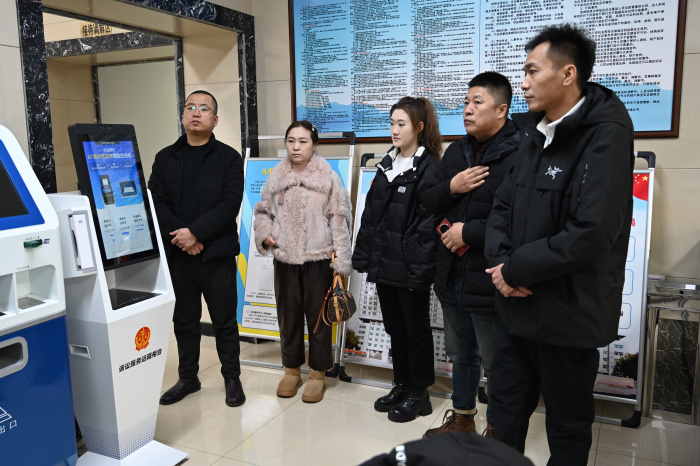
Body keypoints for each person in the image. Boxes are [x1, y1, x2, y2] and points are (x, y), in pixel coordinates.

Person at [484, 24, 634, 465]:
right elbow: (501, 207)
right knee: (504, 412)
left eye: (532, 71)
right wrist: (501, 267)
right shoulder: (534, 133)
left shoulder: (606, 134)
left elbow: (591, 231)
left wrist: (514, 269)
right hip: (515, 306)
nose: (523, 83)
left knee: (567, 426)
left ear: (568, 74)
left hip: (567, 312)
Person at [421, 72, 520, 439]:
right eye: (466, 102)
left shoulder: (520, 152)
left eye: (477, 102)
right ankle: (463, 418)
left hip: (492, 275)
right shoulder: (456, 151)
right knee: (460, 353)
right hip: (452, 271)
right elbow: (429, 200)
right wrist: (452, 185)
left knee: (496, 360)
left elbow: (520, 219)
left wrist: (469, 232)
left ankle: (498, 429)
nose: (467, 109)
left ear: (501, 110)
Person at [149, 90, 246, 407]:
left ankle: (232, 378)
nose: (196, 112)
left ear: (215, 120)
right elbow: (156, 202)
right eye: (190, 107)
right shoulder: (165, 158)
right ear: (182, 116)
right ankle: (188, 378)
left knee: (224, 321)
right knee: (184, 320)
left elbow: (229, 204)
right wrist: (183, 236)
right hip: (179, 254)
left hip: (216, 254)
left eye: (204, 109)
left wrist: (196, 233)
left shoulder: (229, 158)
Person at [352, 96, 441, 423]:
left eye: (401, 123)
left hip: (409, 267)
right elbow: (370, 216)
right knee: (395, 328)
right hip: (384, 264)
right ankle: (401, 384)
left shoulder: (429, 168)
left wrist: (420, 272)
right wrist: (363, 256)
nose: (395, 129)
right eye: (392, 123)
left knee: (416, 331)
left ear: (419, 127)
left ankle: (420, 392)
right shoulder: (387, 164)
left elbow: (429, 228)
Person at [253, 120, 353, 403]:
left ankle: (318, 374)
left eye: (303, 141)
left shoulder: (328, 178)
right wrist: (266, 234)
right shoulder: (276, 176)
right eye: (291, 141)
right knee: (288, 317)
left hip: (318, 260)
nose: (296, 147)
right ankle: (291, 371)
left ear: (315, 144)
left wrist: (341, 261)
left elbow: (339, 221)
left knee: (319, 319)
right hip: (285, 259)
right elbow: (262, 212)